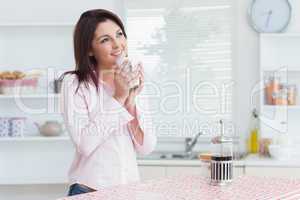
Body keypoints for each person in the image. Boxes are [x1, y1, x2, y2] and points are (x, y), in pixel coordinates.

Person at [60, 9, 157, 196]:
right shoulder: (74, 83)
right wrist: (119, 97)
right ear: (89, 49)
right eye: (105, 40)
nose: (117, 45)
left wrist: (130, 102)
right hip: (88, 191)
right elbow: (84, 144)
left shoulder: (132, 81)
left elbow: (146, 148)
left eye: (119, 35)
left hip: (126, 191)